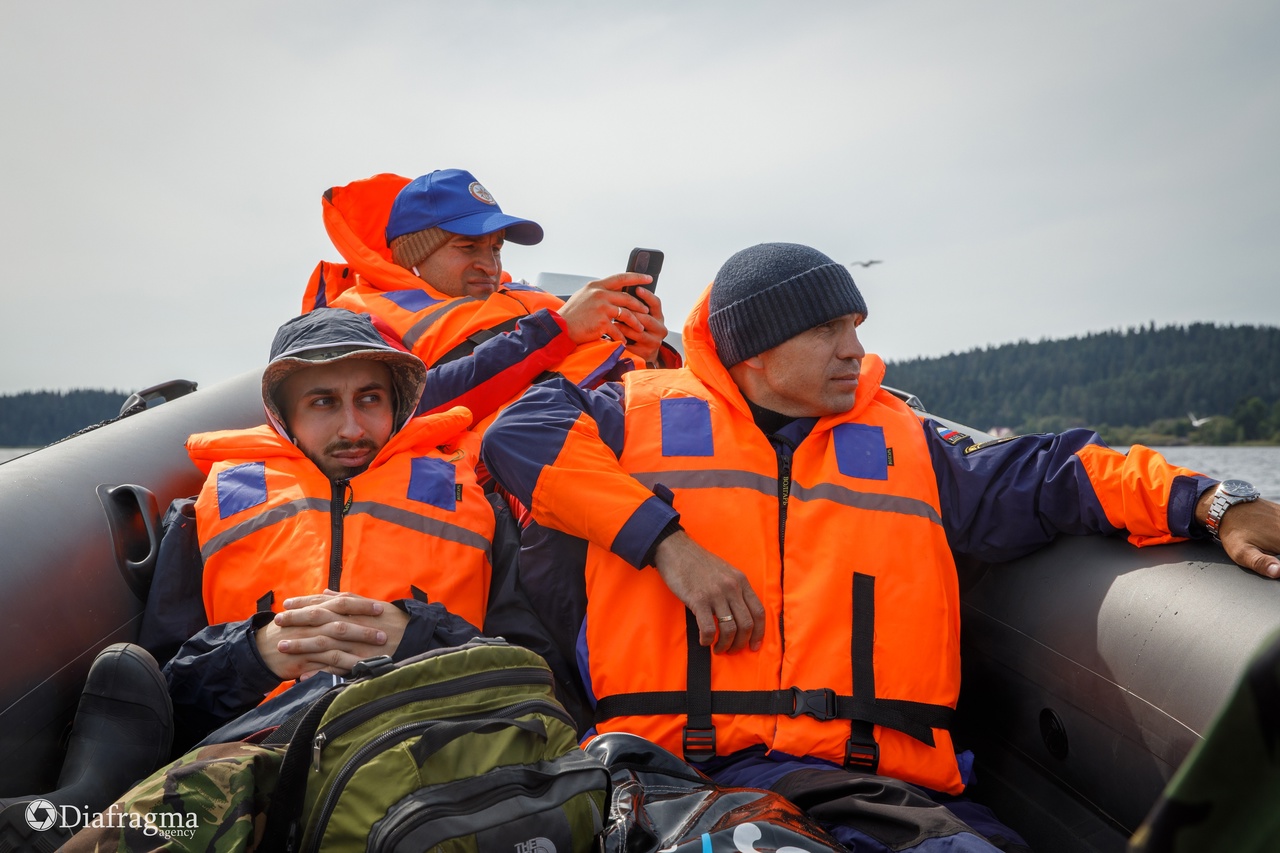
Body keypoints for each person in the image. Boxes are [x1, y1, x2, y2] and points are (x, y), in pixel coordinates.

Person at [480, 242, 1280, 852]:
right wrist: (668, 544)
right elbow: (518, 433)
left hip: (886, 788)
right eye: (826, 328)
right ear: (754, 349)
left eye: (855, 327)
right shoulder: (626, 414)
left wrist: (1216, 500)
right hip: (681, 778)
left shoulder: (910, 444)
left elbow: (1056, 473)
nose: (853, 349)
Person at [149, 307, 495, 748]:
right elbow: (162, 703)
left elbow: (532, 669)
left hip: (433, 755)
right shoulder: (200, 515)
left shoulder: (477, 503)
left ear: (398, 406)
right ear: (282, 417)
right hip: (256, 762)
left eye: (370, 399)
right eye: (323, 402)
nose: (352, 429)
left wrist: (418, 642)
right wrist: (254, 654)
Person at [301, 169, 678, 430]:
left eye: (496, 249)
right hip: (535, 455)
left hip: (634, 416)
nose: (489, 265)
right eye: (468, 247)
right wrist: (557, 329)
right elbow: (400, 408)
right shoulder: (357, 322)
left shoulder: (524, 297)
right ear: (413, 256)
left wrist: (648, 353)